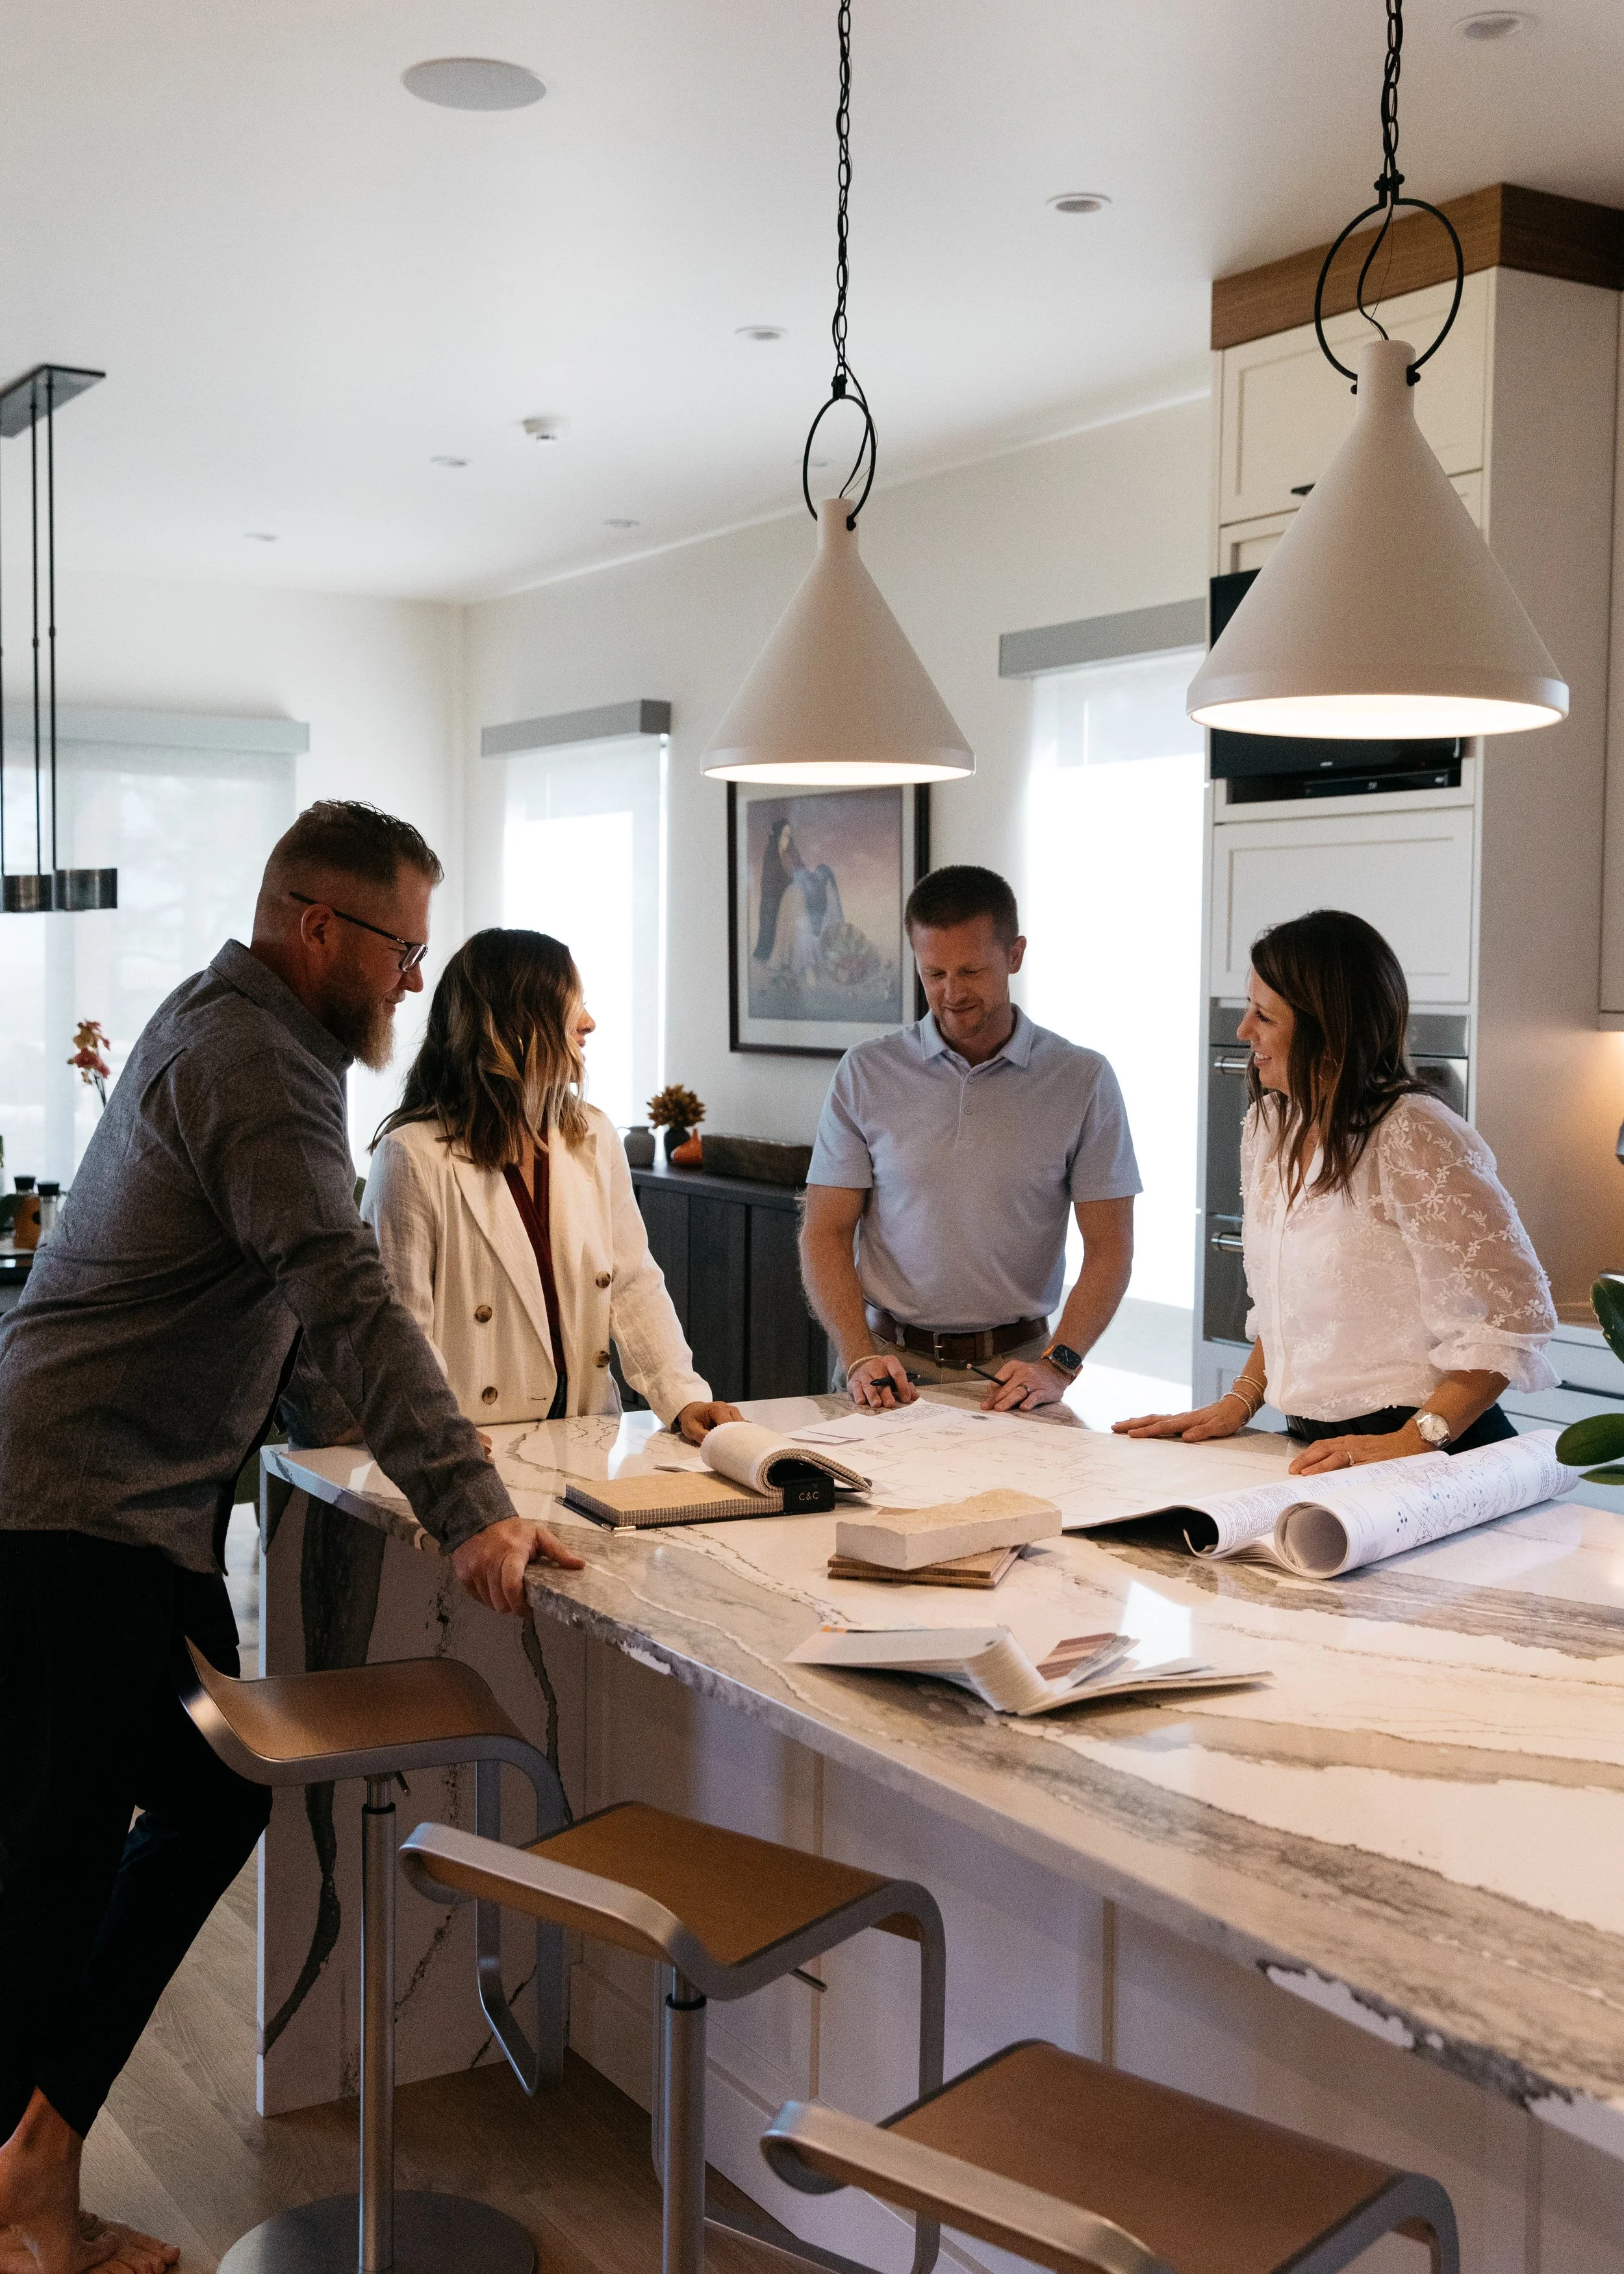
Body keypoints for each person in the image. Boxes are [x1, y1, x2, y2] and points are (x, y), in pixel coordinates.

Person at [0, 802, 583, 2274]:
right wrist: (472, 1510)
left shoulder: (241, 1030)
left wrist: (404, 1445)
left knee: (194, 1808)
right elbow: (340, 1287)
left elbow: (274, 1306)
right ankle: (23, 2207)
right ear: (314, 925)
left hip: (115, 1503)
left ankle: (33, 2166)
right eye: (399, 946)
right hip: (74, 1507)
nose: (412, 978)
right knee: (60, 1867)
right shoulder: (259, 1058)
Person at [1117, 908, 1556, 1472]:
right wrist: (1239, 1401)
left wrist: (1413, 1441)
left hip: (1437, 1454)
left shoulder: (1413, 1132)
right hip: (1323, 1448)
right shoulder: (1270, 1127)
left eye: (1264, 1017)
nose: (1243, 1030)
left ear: (1328, 1031)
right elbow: (1285, 1311)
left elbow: (1513, 1316)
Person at [362, 928, 741, 1441]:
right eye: (572, 1005)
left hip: (584, 1437)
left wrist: (684, 1396)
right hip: (473, 1447)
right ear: (514, 1023)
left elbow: (633, 1283)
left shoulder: (591, 1136)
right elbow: (402, 1330)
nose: (589, 1023)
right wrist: (437, 1435)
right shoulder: (411, 1155)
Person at [800, 863, 1139, 1413]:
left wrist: (1059, 1365)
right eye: (933, 973)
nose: (951, 993)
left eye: (971, 971)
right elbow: (826, 1232)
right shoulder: (865, 1073)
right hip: (885, 1368)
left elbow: (1110, 1247)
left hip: (1016, 1373)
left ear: (1015, 955)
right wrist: (857, 1355)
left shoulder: (1082, 1080)